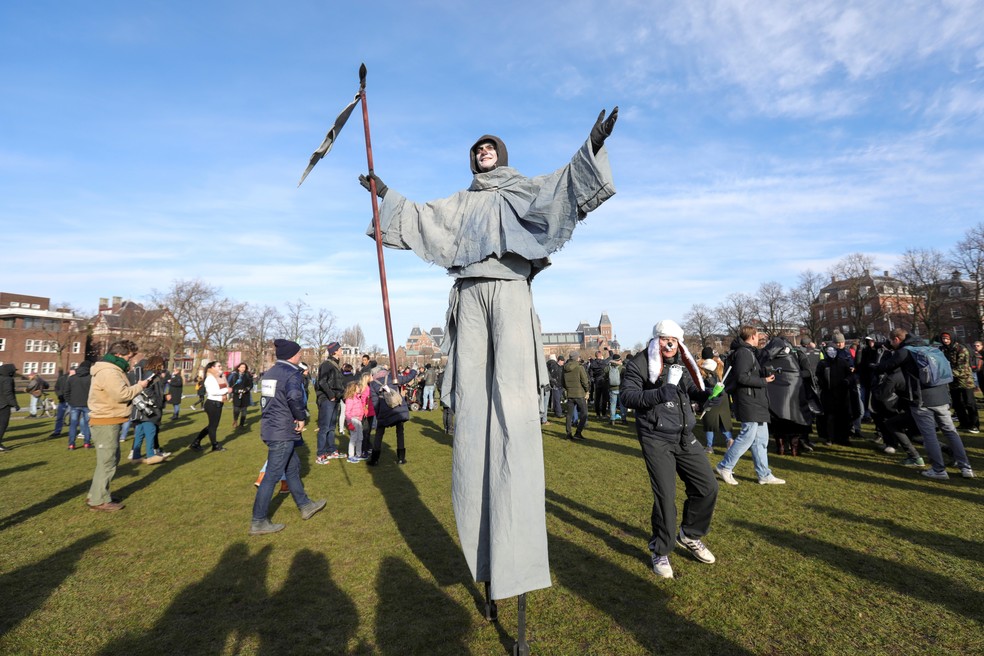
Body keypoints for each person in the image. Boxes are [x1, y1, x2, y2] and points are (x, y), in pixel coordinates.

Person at [361, 106, 617, 607]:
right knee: (474, 406)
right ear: (472, 160)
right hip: (469, 295)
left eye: (490, 148)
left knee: (514, 404)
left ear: (501, 155)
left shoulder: (522, 187)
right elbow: (422, 218)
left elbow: (565, 186)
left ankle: (517, 548)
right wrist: (386, 195)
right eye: (477, 150)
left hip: (511, 289)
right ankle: (481, 546)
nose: (484, 153)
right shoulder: (460, 202)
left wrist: (592, 148)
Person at [620, 319, 721, 579]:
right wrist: (659, 394)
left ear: (679, 342)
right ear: (656, 340)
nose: (669, 344)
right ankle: (660, 548)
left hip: (684, 435)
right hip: (656, 437)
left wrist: (707, 394)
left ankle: (690, 535)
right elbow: (628, 397)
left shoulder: (681, 361)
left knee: (707, 487)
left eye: (674, 340)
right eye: (665, 339)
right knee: (666, 497)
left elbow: (689, 389)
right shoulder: (640, 363)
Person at [875, 328, 974, 480]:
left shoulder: (905, 351)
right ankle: (966, 467)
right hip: (942, 397)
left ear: (896, 339)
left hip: (922, 399)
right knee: (951, 432)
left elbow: (884, 367)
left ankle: (938, 470)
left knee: (929, 436)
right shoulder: (929, 348)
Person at [250, 339, 326, 535]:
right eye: (299, 353)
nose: (301, 356)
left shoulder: (270, 373)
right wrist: (300, 418)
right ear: (292, 355)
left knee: (292, 468)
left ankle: (305, 505)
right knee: (272, 476)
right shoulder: (291, 374)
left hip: (271, 427)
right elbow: (294, 397)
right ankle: (258, 521)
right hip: (282, 430)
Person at [715, 326, 785, 486]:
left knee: (761, 439)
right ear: (752, 336)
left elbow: (748, 374)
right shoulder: (744, 353)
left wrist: (763, 375)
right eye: (758, 334)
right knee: (747, 436)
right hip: (749, 401)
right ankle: (725, 466)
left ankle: (764, 474)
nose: (760, 337)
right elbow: (741, 377)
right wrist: (764, 381)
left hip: (756, 401)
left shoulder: (748, 352)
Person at [86, 340, 149, 511]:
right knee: (107, 462)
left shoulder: (111, 369)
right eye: (129, 357)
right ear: (119, 355)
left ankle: (98, 495)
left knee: (109, 460)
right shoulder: (108, 371)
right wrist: (140, 386)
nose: (129, 361)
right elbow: (122, 394)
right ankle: (99, 501)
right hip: (105, 420)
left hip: (110, 419)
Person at [367, 365, 415, 465]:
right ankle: (401, 458)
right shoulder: (392, 378)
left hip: (383, 410)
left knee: (379, 434)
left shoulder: (373, 384)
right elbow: (407, 378)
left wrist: (378, 414)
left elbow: (375, 401)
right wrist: (414, 370)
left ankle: (375, 459)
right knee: (400, 432)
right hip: (398, 408)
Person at [130, 356, 168, 464]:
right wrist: (157, 400)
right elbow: (146, 390)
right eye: (161, 364)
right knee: (151, 431)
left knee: (140, 432)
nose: (162, 366)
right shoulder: (151, 375)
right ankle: (150, 455)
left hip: (141, 408)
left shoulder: (146, 373)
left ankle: (136, 456)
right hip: (150, 409)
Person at [940, 332, 980, 434]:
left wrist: (946, 375)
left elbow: (962, 368)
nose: (945, 341)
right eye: (944, 338)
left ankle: (975, 425)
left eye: (947, 339)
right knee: (957, 404)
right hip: (953, 382)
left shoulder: (961, 349)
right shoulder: (943, 350)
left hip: (965, 381)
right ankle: (964, 423)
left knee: (969, 403)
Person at [315, 342, 345, 464]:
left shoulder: (336, 365)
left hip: (336, 398)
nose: (342, 350)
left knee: (332, 427)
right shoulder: (327, 364)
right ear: (335, 351)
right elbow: (322, 382)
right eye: (340, 349)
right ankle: (320, 454)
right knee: (324, 427)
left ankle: (331, 450)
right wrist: (331, 395)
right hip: (328, 399)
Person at [190, 361, 228, 452]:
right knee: (213, 426)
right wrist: (227, 390)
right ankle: (214, 445)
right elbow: (213, 391)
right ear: (212, 367)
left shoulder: (219, 377)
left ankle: (196, 442)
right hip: (212, 404)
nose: (221, 367)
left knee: (212, 425)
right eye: (218, 366)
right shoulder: (210, 378)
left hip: (217, 403)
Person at [563, 352, 590, 441]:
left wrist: (567, 389)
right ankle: (578, 432)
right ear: (577, 358)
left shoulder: (564, 368)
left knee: (569, 415)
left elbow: (562, 382)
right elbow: (585, 381)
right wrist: (587, 390)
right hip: (579, 394)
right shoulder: (579, 367)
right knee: (584, 413)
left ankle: (568, 433)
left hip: (570, 393)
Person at [67, 361, 93, 449]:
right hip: (87, 404)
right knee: (87, 424)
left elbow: (66, 391)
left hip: (74, 404)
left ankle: (71, 444)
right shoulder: (91, 378)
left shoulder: (72, 378)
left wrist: (70, 401)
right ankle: (87, 443)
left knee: (73, 424)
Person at [343, 380, 367, 463]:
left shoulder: (357, 397)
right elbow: (347, 412)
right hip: (353, 419)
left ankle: (358, 454)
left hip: (358, 420)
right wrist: (349, 423)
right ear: (353, 388)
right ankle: (351, 455)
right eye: (357, 387)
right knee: (353, 438)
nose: (359, 388)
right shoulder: (350, 399)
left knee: (360, 438)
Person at [0, 364, 20, 452]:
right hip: (4, 405)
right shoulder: (8, 379)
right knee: (3, 425)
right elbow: (8, 393)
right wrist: (15, 404)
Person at [229, 363, 254, 429]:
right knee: (236, 410)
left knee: (244, 411)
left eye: (244, 367)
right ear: (238, 368)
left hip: (245, 395)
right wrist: (236, 390)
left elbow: (251, 385)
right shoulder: (234, 375)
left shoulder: (248, 375)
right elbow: (231, 385)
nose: (243, 368)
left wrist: (246, 390)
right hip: (236, 395)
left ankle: (241, 425)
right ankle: (235, 420)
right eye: (241, 367)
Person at [49, 368, 71, 437]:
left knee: (73, 418)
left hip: (71, 401)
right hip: (63, 400)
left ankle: (72, 432)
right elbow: (56, 388)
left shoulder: (76, 378)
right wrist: (59, 395)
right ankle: (57, 431)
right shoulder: (62, 378)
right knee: (60, 417)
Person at [607, 353, 625, 425]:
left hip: (612, 388)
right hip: (621, 388)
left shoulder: (608, 367)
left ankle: (612, 419)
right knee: (622, 405)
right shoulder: (622, 368)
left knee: (612, 404)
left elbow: (605, 376)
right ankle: (623, 419)